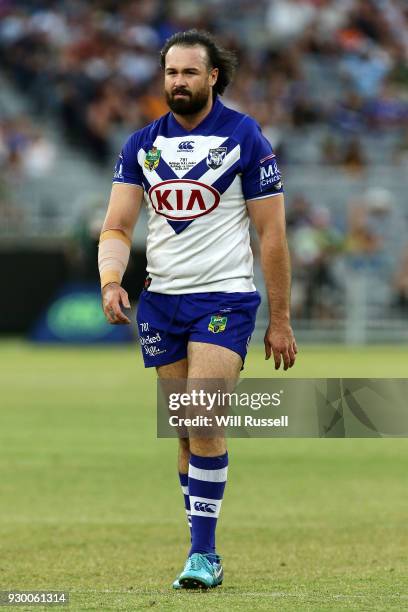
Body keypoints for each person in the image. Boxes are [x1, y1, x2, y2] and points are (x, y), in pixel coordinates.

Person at [98, 29, 297, 590]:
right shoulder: (142, 143)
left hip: (225, 296)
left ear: (213, 77)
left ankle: (203, 555)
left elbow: (272, 234)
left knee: (202, 416)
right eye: (170, 73)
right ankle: (200, 548)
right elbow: (116, 224)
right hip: (162, 302)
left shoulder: (243, 136)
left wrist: (279, 320)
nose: (177, 82)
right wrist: (112, 279)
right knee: (185, 429)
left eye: (188, 72)